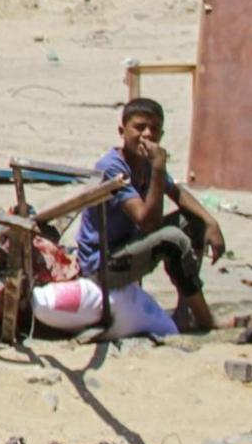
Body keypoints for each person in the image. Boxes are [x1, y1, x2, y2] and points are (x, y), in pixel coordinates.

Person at [75, 98, 228, 335]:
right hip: (103, 264)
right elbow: (148, 222)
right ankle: (205, 319)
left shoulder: (146, 163)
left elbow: (176, 192)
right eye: (139, 127)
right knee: (172, 239)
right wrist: (158, 168)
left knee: (194, 222)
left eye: (154, 129)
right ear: (122, 131)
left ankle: (184, 310)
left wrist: (210, 222)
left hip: (129, 247)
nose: (147, 135)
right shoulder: (112, 167)